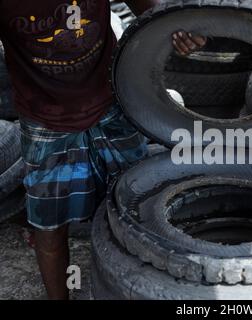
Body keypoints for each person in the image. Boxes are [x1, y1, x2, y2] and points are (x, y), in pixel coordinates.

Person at [0, 0, 206, 299]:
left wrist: (184, 33)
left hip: (111, 104)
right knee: (50, 228)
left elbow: (155, 13)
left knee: (136, 207)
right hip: (45, 120)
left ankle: (134, 290)